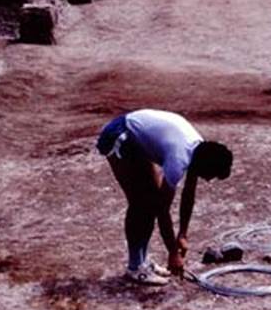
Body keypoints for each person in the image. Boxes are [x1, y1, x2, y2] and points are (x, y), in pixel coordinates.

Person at [96, 109, 233, 285]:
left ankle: (142, 261)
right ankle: (135, 267)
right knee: (141, 203)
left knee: (151, 201)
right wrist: (173, 253)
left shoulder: (198, 150)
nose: (208, 180)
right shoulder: (179, 158)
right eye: (210, 176)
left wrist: (182, 234)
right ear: (205, 166)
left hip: (134, 136)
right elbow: (163, 211)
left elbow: (188, 195)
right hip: (118, 135)